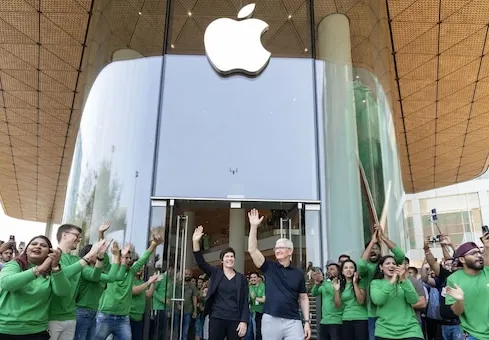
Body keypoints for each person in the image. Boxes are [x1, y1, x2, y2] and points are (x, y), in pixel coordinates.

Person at [247, 209, 311, 340]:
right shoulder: (269, 267)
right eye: (276, 248)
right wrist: (254, 227)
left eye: (281, 247)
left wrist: (307, 322)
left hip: (293, 321)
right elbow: (252, 250)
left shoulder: (298, 273)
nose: (277, 250)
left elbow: (303, 298)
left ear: (290, 251)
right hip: (271, 319)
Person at [94, 233, 164, 340]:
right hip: (105, 316)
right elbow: (103, 252)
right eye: (125, 257)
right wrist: (101, 233)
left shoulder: (131, 272)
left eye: (129, 258)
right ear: (119, 257)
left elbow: (144, 258)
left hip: (123, 318)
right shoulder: (110, 269)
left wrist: (154, 244)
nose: (128, 260)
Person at [0, 236, 69, 339]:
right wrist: (39, 269)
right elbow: (6, 283)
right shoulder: (14, 265)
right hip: (6, 329)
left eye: (43, 245)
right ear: (26, 250)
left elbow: (62, 291)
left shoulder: (53, 271)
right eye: (34, 244)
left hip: (36, 331)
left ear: (49, 253)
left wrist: (55, 267)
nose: (38, 246)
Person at [49, 223, 110, 340]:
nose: (79, 239)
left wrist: (100, 257)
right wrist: (91, 254)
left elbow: (95, 276)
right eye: (76, 235)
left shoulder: (77, 260)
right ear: (64, 235)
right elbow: (62, 275)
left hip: (71, 315)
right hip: (52, 316)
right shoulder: (53, 255)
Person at [193, 225, 249, 340]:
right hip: (217, 317)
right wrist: (195, 242)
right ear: (222, 260)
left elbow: (244, 302)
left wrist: (244, 321)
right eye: (227, 256)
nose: (230, 258)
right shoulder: (216, 273)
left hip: (235, 319)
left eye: (232, 256)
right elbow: (201, 263)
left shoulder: (241, 278)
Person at [358, 226, 405, 340]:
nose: (373, 250)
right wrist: (373, 241)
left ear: (381, 251)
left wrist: (383, 238)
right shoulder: (367, 269)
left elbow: (400, 255)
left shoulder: (389, 264)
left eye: (376, 248)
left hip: (394, 314)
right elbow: (361, 265)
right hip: (374, 315)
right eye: (370, 249)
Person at [74, 241, 125, 339]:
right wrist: (115, 257)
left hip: (93, 312)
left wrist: (121, 260)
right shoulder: (85, 269)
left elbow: (118, 277)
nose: (99, 254)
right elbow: (109, 278)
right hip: (82, 311)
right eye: (97, 252)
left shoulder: (99, 271)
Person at [445, 238, 489, 340]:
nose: (478, 255)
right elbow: (457, 312)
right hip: (472, 335)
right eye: (473, 253)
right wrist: (460, 301)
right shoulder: (453, 279)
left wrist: (487, 247)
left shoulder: (488, 272)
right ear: (462, 260)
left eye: (479, 252)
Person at [370, 256, 423, 340]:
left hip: (410, 330)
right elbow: (378, 300)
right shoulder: (376, 283)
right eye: (387, 263)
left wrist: (403, 280)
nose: (391, 266)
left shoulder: (404, 281)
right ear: (381, 267)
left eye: (394, 264)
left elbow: (414, 300)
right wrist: (392, 282)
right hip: (385, 331)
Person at [334, 260, 368, 340]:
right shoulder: (340, 284)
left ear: (355, 271)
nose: (348, 270)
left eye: (351, 267)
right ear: (342, 271)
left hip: (361, 319)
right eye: (346, 268)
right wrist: (336, 290)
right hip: (346, 319)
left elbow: (361, 301)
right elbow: (338, 305)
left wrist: (355, 283)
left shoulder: (361, 282)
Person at [310, 268, 343, 340]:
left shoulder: (340, 283)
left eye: (332, 269)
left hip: (336, 321)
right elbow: (314, 293)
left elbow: (333, 292)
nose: (329, 271)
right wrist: (317, 283)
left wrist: (322, 281)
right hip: (324, 321)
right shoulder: (325, 284)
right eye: (328, 269)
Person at [130, 265, 159, 340]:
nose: (140, 269)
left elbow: (148, 294)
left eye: (141, 268)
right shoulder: (129, 279)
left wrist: (153, 283)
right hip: (129, 316)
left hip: (139, 317)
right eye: (138, 267)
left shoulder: (141, 282)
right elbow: (135, 291)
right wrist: (148, 282)